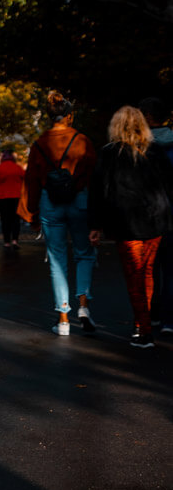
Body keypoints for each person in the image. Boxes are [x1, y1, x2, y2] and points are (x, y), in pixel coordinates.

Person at [88, 106, 173, 348]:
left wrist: (95, 225)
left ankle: (143, 329)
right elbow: (169, 185)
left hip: (126, 222)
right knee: (146, 273)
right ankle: (143, 323)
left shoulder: (109, 153)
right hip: (156, 219)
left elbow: (99, 192)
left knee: (134, 275)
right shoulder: (155, 150)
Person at [18, 91, 97, 336]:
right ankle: (84, 306)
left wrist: (30, 214)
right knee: (84, 253)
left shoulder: (40, 143)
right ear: (70, 116)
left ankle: (63, 318)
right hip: (79, 199)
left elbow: (31, 179)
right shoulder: (82, 140)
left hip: (50, 202)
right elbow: (94, 176)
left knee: (57, 259)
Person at [138, 98, 173, 336]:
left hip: (147, 214)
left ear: (149, 117)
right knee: (171, 268)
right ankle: (170, 319)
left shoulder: (139, 147)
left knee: (148, 268)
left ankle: (151, 315)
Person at [0, 148, 26, 252]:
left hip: (2, 198)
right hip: (16, 197)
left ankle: (6, 241)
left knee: (5, 220)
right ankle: (15, 240)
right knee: (15, 219)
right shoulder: (18, 168)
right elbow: (26, 180)